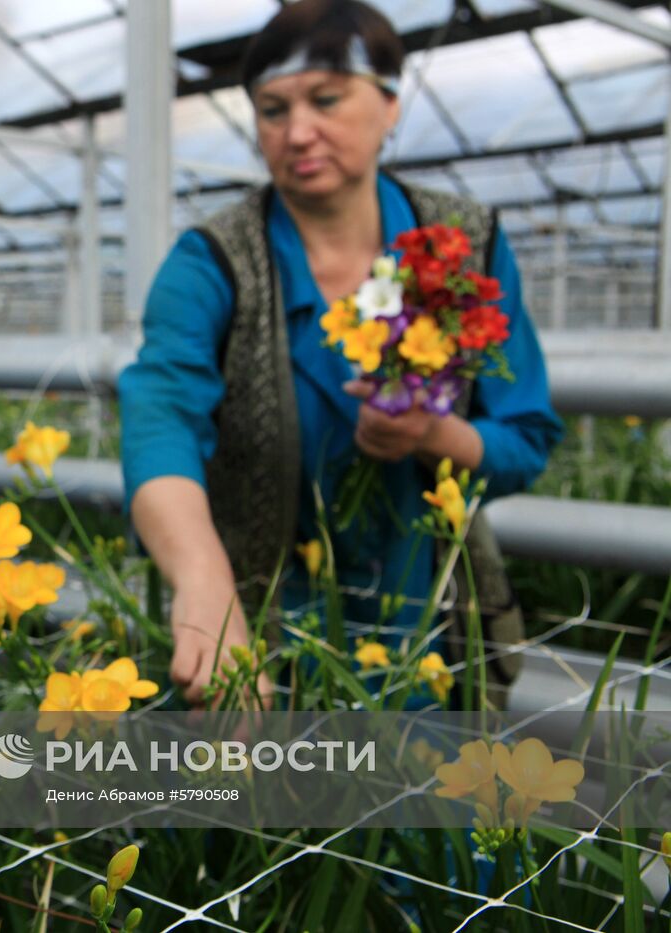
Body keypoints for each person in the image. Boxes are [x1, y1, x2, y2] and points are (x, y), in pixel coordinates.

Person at [118, 0, 561, 707]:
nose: (298, 132)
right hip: (258, 624)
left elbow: (528, 437)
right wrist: (204, 582)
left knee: (417, 802)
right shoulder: (216, 262)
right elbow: (159, 417)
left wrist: (434, 435)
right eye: (271, 110)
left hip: (429, 629)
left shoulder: (462, 246)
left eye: (327, 100)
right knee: (268, 804)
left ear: (389, 105)